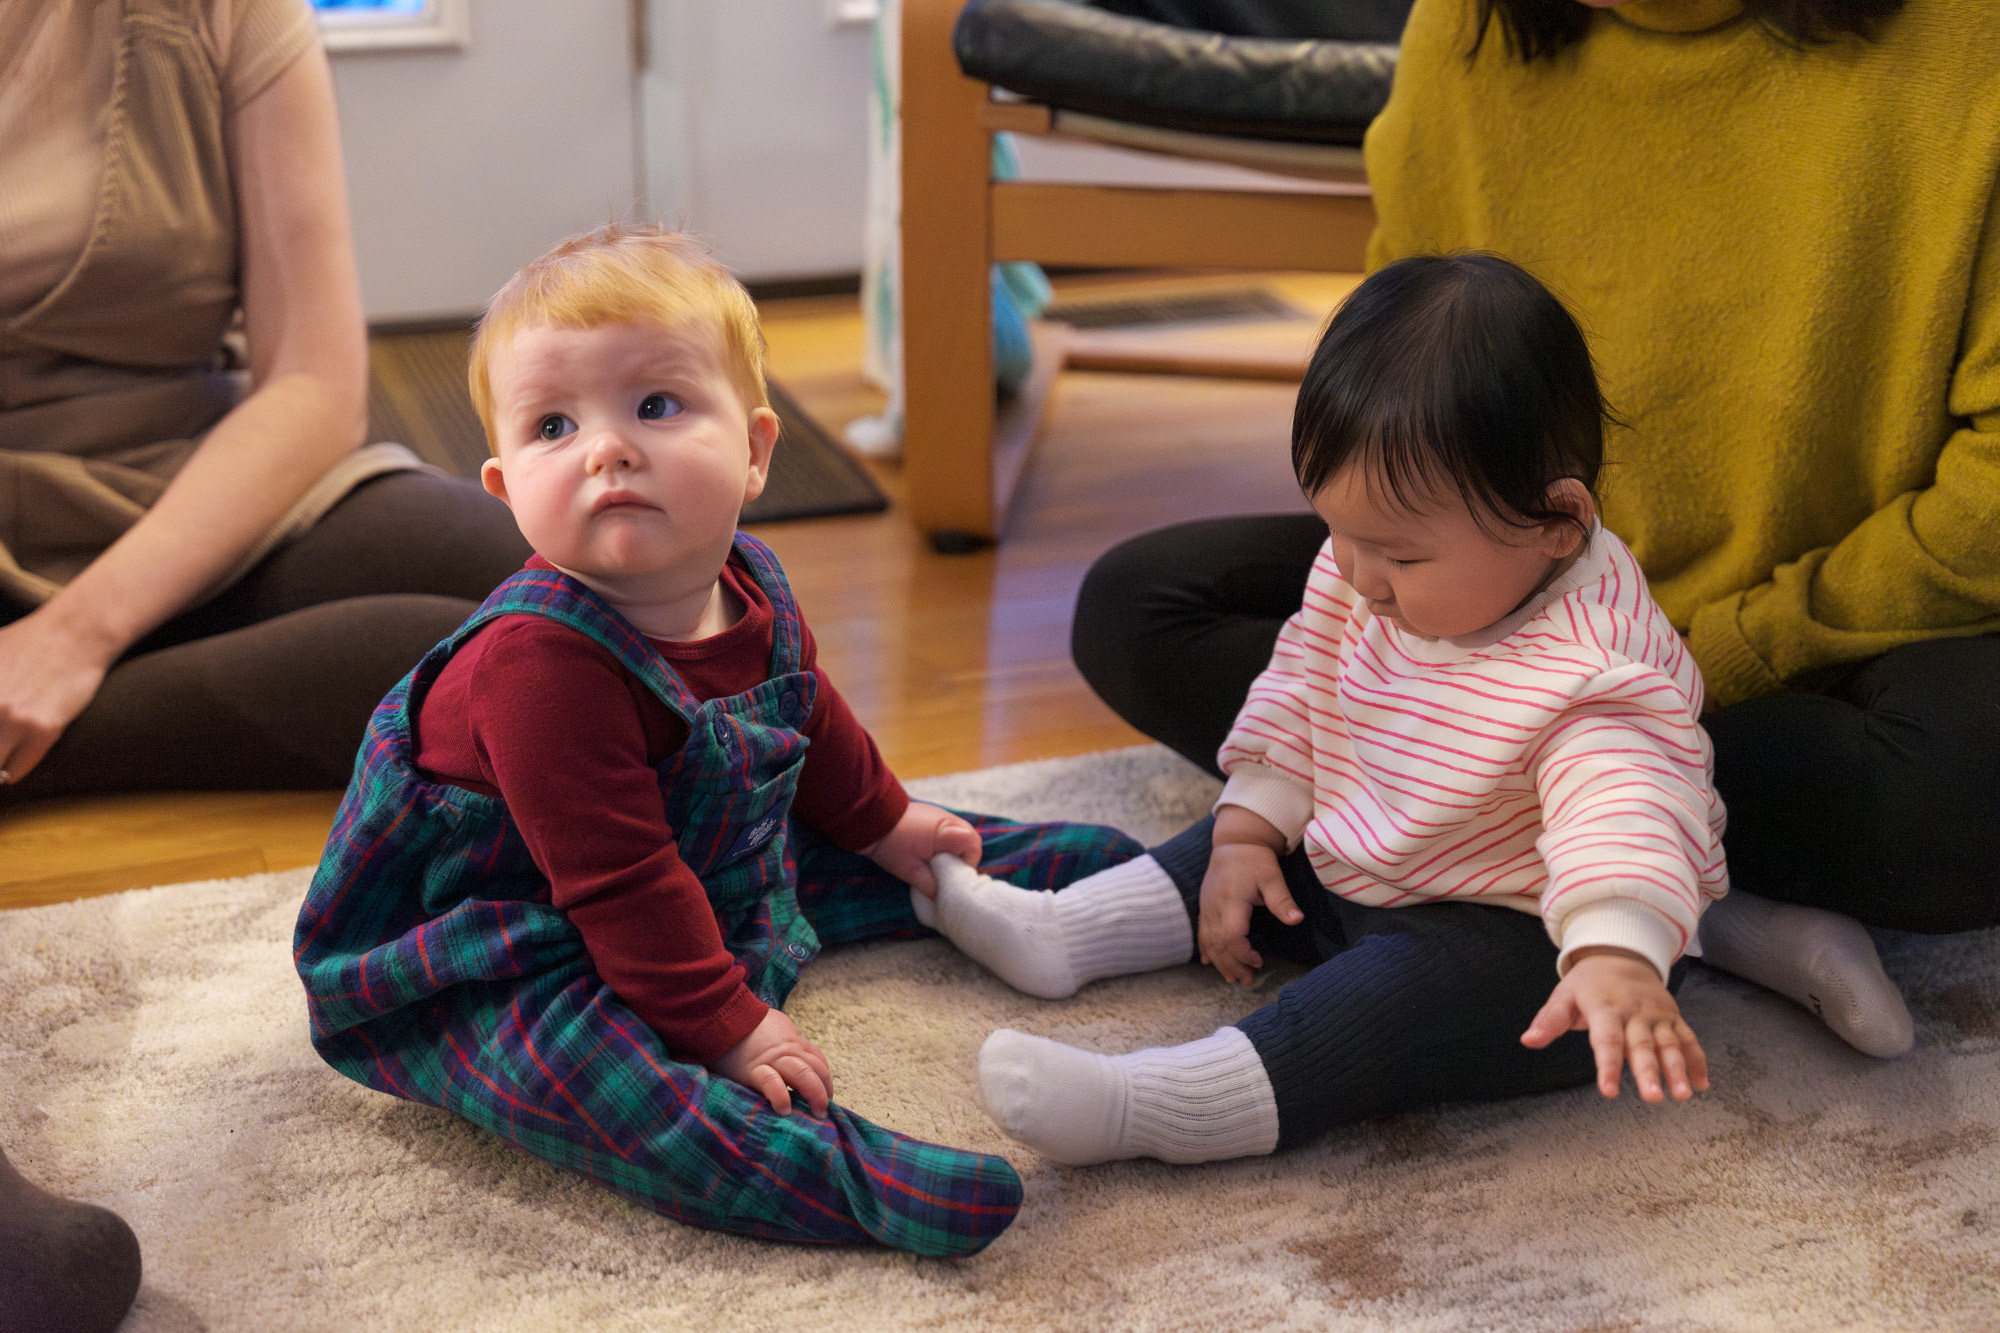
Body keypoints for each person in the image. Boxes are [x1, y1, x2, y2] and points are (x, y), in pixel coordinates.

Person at [1069, 0, 1999, 1058]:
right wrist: (1451, 606)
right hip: (1492, 587)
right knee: (1140, 602)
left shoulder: (1968, 42)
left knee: (1962, 784)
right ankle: (1670, 899)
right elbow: (1400, 352)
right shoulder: (1468, 25)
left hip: (1813, 641)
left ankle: (1615, 863)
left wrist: (1732, 647)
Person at [292, 225, 1140, 1255]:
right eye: (554, 425)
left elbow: (807, 717)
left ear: (754, 452)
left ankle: (1119, 884)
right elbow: (618, 880)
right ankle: (837, 1178)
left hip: (691, 867)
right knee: (590, 1074)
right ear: (507, 492)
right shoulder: (537, 665)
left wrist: (888, 820)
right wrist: (727, 1024)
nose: (607, 449)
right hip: (502, 931)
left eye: (655, 405)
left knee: (918, 842)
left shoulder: (752, 580)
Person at [915, 253, 1734, 1166]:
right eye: (1338, 530)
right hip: (1374, 861)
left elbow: (1625, 810)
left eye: (1401, 556)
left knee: (1387, 998)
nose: (1358, 575)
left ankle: (1162, 1102)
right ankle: (1063, 931)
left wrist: (1616, 952)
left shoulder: (1594, 671)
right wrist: (1245, 830)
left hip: (1530, 941)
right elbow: (1303, 682)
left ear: (1557, 523)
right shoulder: (1366, 571)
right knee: (1255, 842)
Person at [0, 0, 531, 803]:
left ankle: (50, 718)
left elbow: (313, 385)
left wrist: (73, 637)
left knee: (571, 590)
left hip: (180, 475)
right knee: (478, 669)